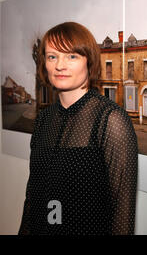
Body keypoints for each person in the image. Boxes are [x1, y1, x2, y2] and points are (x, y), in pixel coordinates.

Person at [18, 22, 138, 235]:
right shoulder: (43, 119)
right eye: (52, 56)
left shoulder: (111, 120)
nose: (59, 65)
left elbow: (122, 213)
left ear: (89, 62)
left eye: (71, 56)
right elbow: (33, 198)